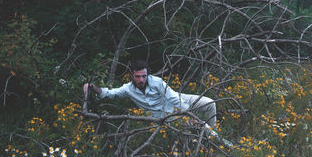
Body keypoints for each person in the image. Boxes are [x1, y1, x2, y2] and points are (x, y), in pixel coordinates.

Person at [83, 60, 231, 146]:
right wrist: (92, 87)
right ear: (132, 76)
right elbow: (109, 94)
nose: (141, 80)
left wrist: (189, 113)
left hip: (180, 100)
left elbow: (174, 99)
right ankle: (223, 143)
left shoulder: (156, 82)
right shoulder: (128, 89)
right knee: (201, 126)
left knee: (210, 103)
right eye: (138, 77)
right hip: (168, 114)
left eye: (144, 76)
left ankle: (213, 136)